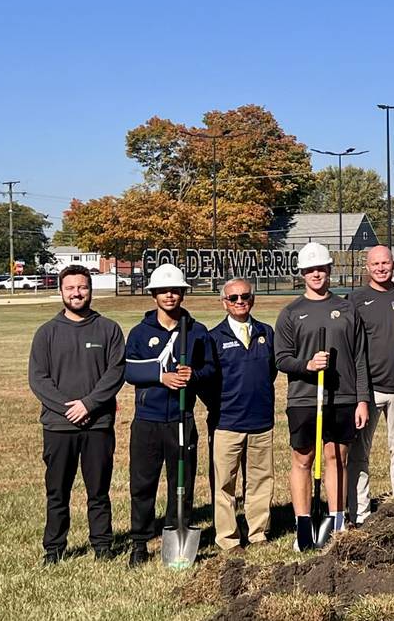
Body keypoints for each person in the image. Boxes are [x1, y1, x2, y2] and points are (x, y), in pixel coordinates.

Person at [274, 243, 370, 544]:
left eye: (321, 268)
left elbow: (359, 358)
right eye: (311, 269)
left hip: (342, 397)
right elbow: (281, 359)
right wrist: (308, 365)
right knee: (303, 459)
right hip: (304, 397)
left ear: (329, 270)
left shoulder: (346, 309)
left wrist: (362, 399)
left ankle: (336, 519)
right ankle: (303, 523)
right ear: (302, 273)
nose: (317, 274)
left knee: (336, 457)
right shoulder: (291, 313)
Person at [29, 265, 125, 565]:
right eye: (70, 288)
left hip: (97, 424)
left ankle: (102, 545)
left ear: (91, 290)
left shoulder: (108, 329)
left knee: (98, 491)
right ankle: (54, 549)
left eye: (82, 287)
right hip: (58, 427)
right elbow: (38, 378)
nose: (76, 293)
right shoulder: (47, 333)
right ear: (61, 291)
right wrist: (67, 408)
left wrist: (89, 404)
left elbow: (116, 372)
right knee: (57, 492)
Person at [123, 263, 216, 567]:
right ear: (153, 294)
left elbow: (211, 369)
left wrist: (195, 375)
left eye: (175, 290)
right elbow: (129, 369)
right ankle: (139, 541)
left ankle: (177, 531)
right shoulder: (140, 332)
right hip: (148, 420)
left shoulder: (197, 332)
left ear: (183, 294)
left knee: (182, 481)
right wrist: (160, 376)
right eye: (163, 290)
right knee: (142, 482)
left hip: (181, 419)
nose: (170, 295)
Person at [206, 278, 276, 553]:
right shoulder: (214, 337)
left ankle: (258, 532)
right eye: (233, 298)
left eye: (244, 296)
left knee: (260, 480)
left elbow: (270, 372)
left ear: (252, 299)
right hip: (227, 422)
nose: (239, 301)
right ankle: (228, 537)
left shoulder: (265, 332)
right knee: (225, 483)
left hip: (261, 420)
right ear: (224, 302)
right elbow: (209, 381)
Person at [348, 245, 394, 524]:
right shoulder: (355, 300)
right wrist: (359, 392)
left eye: (385, 263)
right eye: (375, 264)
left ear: (393, 264)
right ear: (367, 267)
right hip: (368, 390)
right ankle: (360, 512)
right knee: (359, 455)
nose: (380, 268)